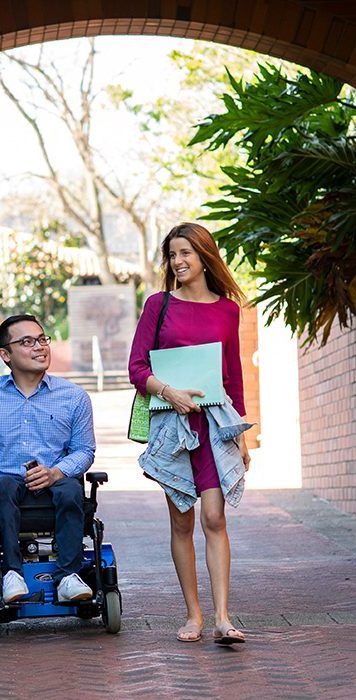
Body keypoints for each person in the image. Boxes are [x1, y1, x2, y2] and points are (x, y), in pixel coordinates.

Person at [128, 222, 252, 646]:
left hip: (216, 425)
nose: (178, 262)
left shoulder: (228, 310)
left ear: (205, 257)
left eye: (185, 253)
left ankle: (222, 617)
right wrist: (170, 393)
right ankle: (193, 615)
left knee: (215, 517)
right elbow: (137, 368)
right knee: (182, 521)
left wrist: (242, 433)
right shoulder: (158, 305)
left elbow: (232, 376)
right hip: (172, 425)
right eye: (173, 255)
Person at [0, 314, 96, 604]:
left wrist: (57, 472)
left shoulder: (74, 397)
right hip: (6, 486)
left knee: (70, 489)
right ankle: (12, 573)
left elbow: (84, 450)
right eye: (27, 342)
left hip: (57, 483)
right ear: (5, 354)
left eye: (42, 339)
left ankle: (67, 578)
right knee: (3, 487)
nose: (39, 347)